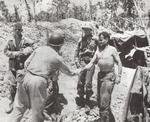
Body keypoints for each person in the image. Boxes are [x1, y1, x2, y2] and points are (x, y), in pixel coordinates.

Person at [11, 31, 79, 122]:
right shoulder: (57, 57)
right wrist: (77, 72)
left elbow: (26, 63)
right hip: (38, 81)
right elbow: (69, 72)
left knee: (19, 108)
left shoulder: (39, 49)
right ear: (59, 45)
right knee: (37, 113)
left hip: (25, 77)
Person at [82, 31, 122, 122]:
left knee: (104, 102)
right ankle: (106, 119)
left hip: (109, 76)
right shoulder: (98, 50)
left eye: (101, 40)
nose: (99, 42)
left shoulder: (112, 49)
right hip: (100, 76)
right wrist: (80, 70)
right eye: (99, 40)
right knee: (100, 101)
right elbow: (91, 63)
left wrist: (119, 76)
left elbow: (119, 62)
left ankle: (104, 120)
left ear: (107, 39)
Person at [4, 23, 33, 113]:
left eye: (19, 29)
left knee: (22, 85)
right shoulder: (9, 40)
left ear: (21, 30)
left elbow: (32, 47)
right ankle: (11, 103)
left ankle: (23, 104)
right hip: (12, 66)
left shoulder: (25, 40)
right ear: (13, 30)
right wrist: (15, 54)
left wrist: (26, 51)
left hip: (21, 66)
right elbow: (5, 51)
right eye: (16, 29)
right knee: (12, 86)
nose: (17, 31)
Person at [74, 24, 97, 107]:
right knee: (80, 82)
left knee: (88, 83)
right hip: (82, 62)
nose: (85, 31)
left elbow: (99, 51)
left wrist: (96, 60)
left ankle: (87, 101)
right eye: (84, 29)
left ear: (90, 30)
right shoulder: (80, 40)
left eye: (87, 29)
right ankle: (80, 100)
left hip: (91, 62)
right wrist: (76, 61)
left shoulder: (95, 40)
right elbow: (76, 51)